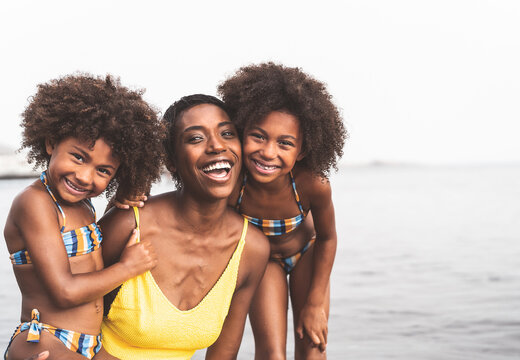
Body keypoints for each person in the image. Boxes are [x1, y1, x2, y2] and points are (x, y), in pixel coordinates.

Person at [94, 94, 269, 359]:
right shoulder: (128, 225)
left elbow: (223, 353)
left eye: (227, 134)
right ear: (171, 161)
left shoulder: (251, 248)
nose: (216, 146)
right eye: (196, 138)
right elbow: (66, 321)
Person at [3, 74, 162, 360]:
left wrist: (117, 202)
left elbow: (85, 256)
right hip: (45, 339)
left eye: (104, 171)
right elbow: (64, 291)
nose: (85, 176)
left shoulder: (84, 206)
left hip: (91, 343)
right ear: (51, 143)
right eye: (78, 157)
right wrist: (128, 267)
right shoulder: (35, 203)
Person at [218, 62, 347, 359]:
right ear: (241, 131)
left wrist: (315, 303)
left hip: (307, 255)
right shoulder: (233, 181)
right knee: (271, 353)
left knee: (313, 348)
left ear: (301, 151)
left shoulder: (313, 184)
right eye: (258, 136)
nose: (268, 152)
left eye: (285, 143)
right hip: (265, 263)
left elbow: (327, 238)